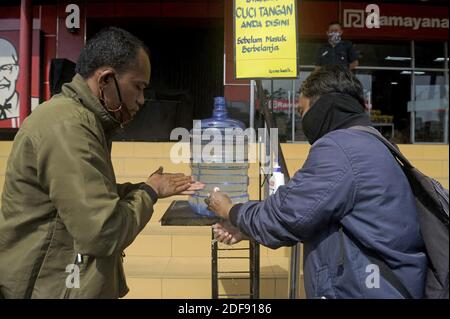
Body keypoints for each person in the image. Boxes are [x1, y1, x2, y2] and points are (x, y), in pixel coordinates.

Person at [0, 27, 204, 299]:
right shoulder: (68, 127)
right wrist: (149, 192)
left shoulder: (79, 120)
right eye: (138, 87)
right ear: (107, 79)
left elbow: (80, 200)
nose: (142, 100)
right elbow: (103, 231)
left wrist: (147, 187)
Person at [206, 65, 427, 299]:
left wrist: (231, 210)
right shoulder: (373, 142)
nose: (303, 121)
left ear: (324, 105)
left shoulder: (340, 148)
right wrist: (248, 229)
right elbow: (319, 216)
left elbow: (287, 215)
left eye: (302, 112)